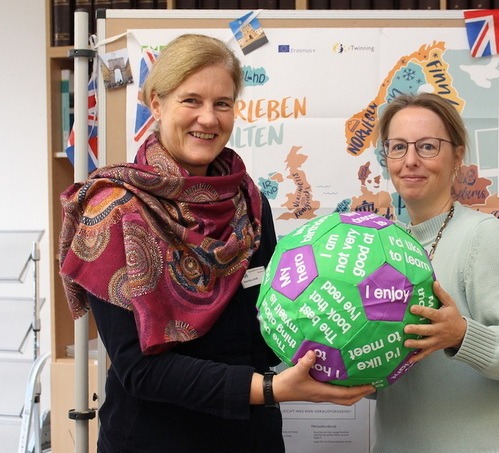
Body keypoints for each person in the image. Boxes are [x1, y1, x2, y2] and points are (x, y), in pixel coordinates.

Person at [58, 34, 374, 453]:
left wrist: (342, 321)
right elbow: (139, 370)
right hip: (155, 439)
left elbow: (265, 327)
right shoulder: (114, 211)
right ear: (157, 103)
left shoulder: (248, 200)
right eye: (191, 100)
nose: (208, 118)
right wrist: (271, 388)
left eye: (222, 103)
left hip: (249, 437)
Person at [372, 92, 499, 453]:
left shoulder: (486, 237)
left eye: (427, 147)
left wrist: (461, 335)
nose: (410, 161)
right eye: (398, 147)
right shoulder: (384, 248)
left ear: (457, 156)